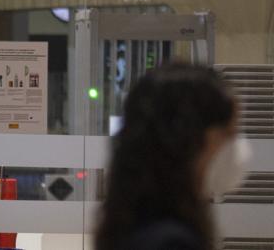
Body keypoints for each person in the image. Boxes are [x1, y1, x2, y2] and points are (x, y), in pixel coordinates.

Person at [96, 64, 251, 250]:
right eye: (228, 133)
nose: (236, 146)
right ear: (189, 138)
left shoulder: (137, 223)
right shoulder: (170, 241)